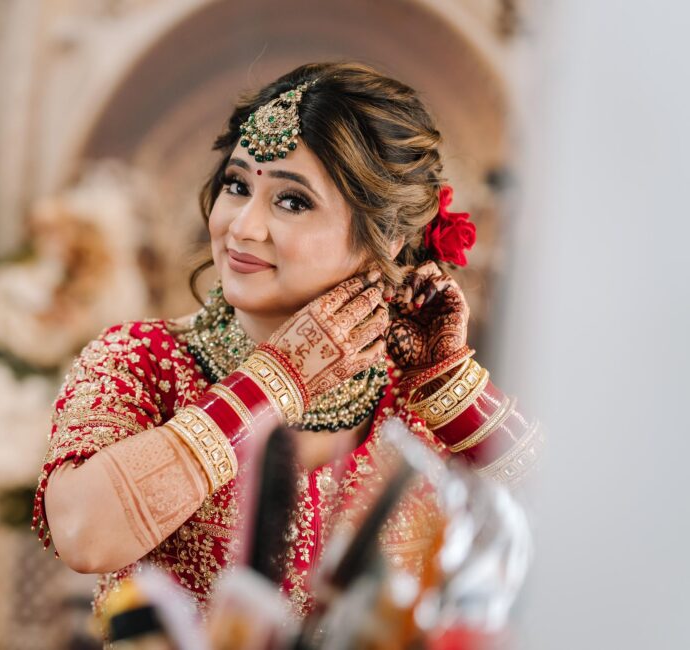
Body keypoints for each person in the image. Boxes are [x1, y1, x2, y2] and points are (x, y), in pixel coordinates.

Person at [31, 62, 539, 622]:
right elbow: (82, 533)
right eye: (237, 185)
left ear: (389, 237)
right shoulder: (142, 360)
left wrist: (453, 387)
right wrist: (276, 381)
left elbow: (580, 540)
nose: (242, 227)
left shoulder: (415, 403)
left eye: (291, 201)